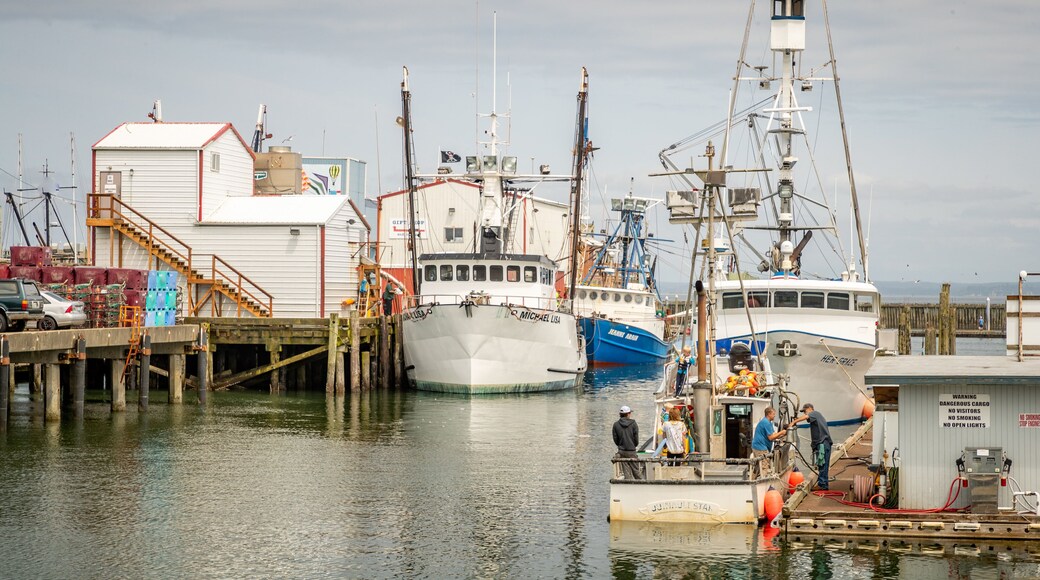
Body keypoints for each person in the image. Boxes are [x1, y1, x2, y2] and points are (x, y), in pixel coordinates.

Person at [788, 403, 833, 490]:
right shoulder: (816, 418)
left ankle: (822, 485)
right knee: (821, 465)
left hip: (823, 443)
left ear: (810, 408)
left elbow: (806, 417)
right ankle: (823, 484)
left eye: (805, 411)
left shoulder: (815, 413)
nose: (805, 413)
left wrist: (793, 422)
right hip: (822, 443)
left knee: (823, 464)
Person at [751, 407, 787, 473]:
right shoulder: (766, 422)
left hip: (757, 446)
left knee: (757, 468)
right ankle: (764, 481)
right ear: (769, 414)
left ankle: (753, 480)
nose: (775, 415)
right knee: (764, 467)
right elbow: (771, 437)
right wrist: (781, 432)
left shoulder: (768, 422)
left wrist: (784, 434)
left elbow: (774, 435)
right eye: (773, 414)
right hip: (760, 447)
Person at [612, 405, 643, 480]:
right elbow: (636, 438)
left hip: (622, 451)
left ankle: (628, 485)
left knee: (626, 471)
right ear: (628, 414)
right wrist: (633, 445)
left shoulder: (616, 425)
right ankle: (640, 485)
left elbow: (615, 439)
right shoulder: (633, 423)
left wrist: (620, 445)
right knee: (636, 471)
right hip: (631, 450)